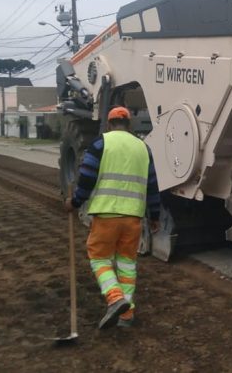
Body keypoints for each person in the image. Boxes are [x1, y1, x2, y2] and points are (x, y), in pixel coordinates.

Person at [64, 106, 161, 329]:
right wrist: (154, 215)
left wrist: (75, 202)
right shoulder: (143, 148)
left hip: (107, 215)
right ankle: (127, 316)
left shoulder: (100, 144)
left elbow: (87, 177)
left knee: (99, 258)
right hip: (133, 219)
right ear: (129, 125)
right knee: (127, 264)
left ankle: (115, 297)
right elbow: (153, 186)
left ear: (109, 124)